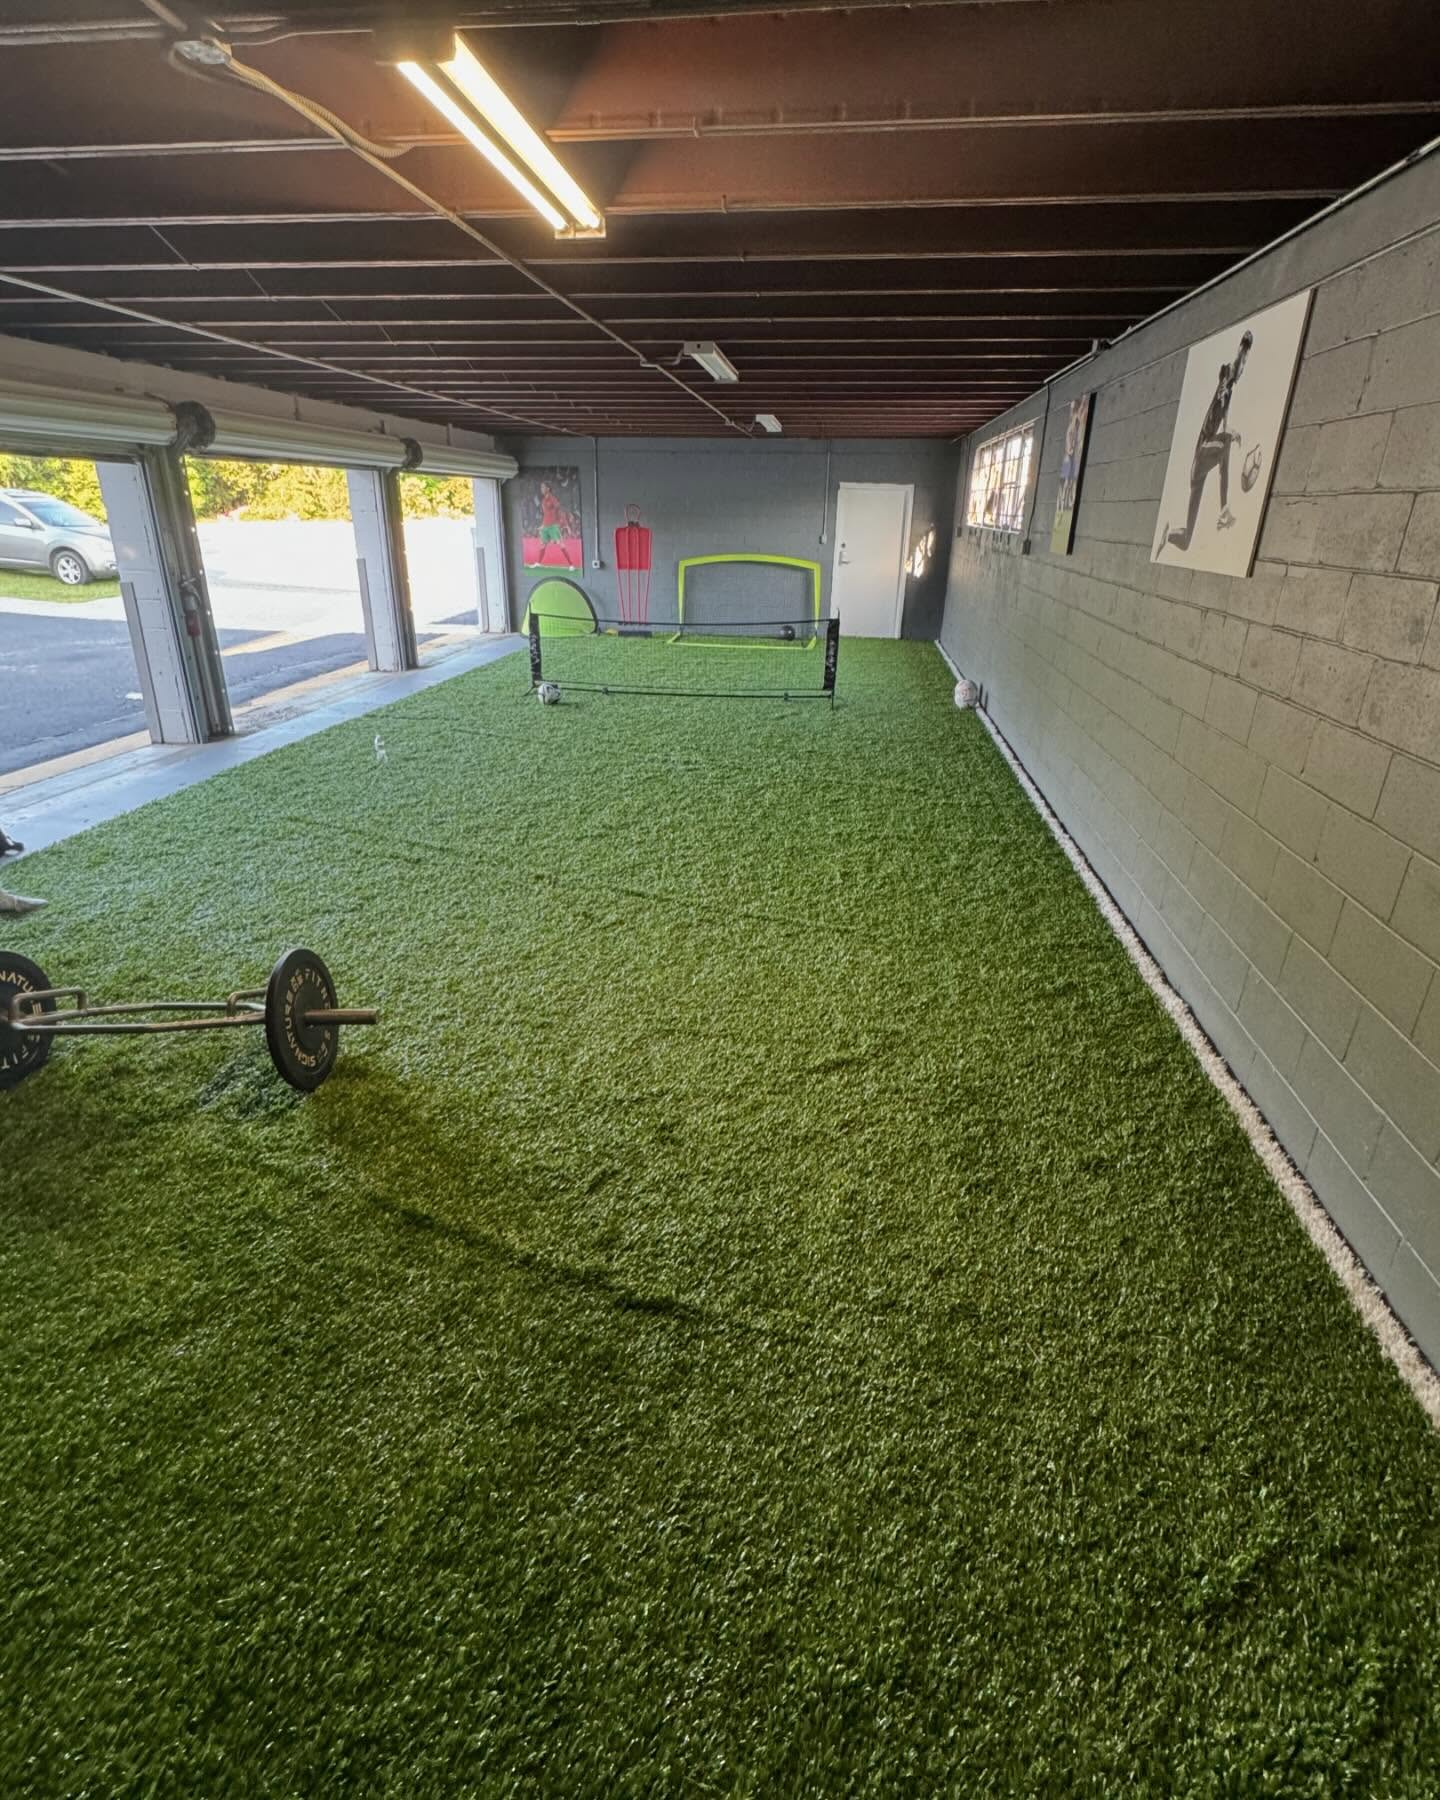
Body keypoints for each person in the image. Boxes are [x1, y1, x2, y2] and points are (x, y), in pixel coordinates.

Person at [1156, 329, 1252, 556]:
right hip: (1201, 453)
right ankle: (1223, 509)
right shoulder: (1226, 384)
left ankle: (1168, 535)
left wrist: (1232, 431)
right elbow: (1230, 370)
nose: (1242, 369)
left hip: (1198, 469)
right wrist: (1243, 347)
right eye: (1243, 363)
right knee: (1225, 446)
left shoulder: (1228, 397)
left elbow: (1223, 424)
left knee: (1187, 541)